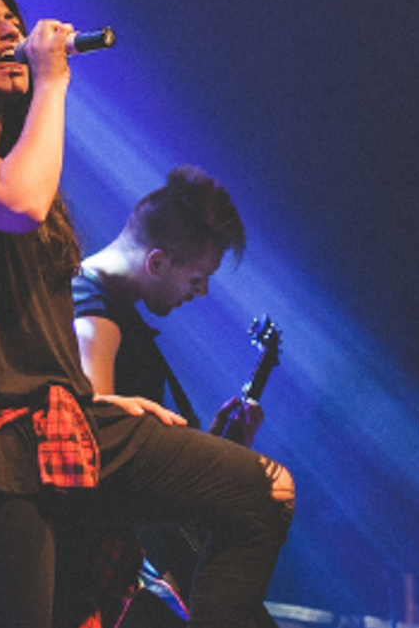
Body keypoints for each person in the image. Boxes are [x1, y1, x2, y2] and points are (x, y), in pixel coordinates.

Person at [0, 0, 292, 628]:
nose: (11, 28)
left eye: (14, 17)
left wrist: (92, 397)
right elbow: (18, 202)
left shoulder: (17, 157)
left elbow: (32, 327)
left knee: (262, 491)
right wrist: (53, 83)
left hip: (60, 422)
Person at [70, 166, 257, 626]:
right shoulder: (93, 311)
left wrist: (205, 447)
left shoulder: (112, 306)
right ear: (156, 262)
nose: (202, 291)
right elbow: (97, 425)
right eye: (197, 278)